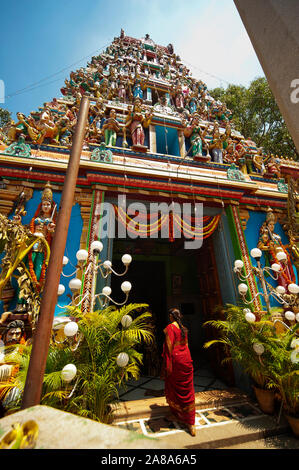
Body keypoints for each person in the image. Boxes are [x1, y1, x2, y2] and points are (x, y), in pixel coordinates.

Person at [161, 307, 196, 436]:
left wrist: (167, 365)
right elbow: (186, 345)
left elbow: (169, 347)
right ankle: (190, 420)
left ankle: (178, 414)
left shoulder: (170, 327)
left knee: (174, 388)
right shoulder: (183, 329)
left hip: (176, 361)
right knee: (187, 389)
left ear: (171, 316)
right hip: (186, 360)